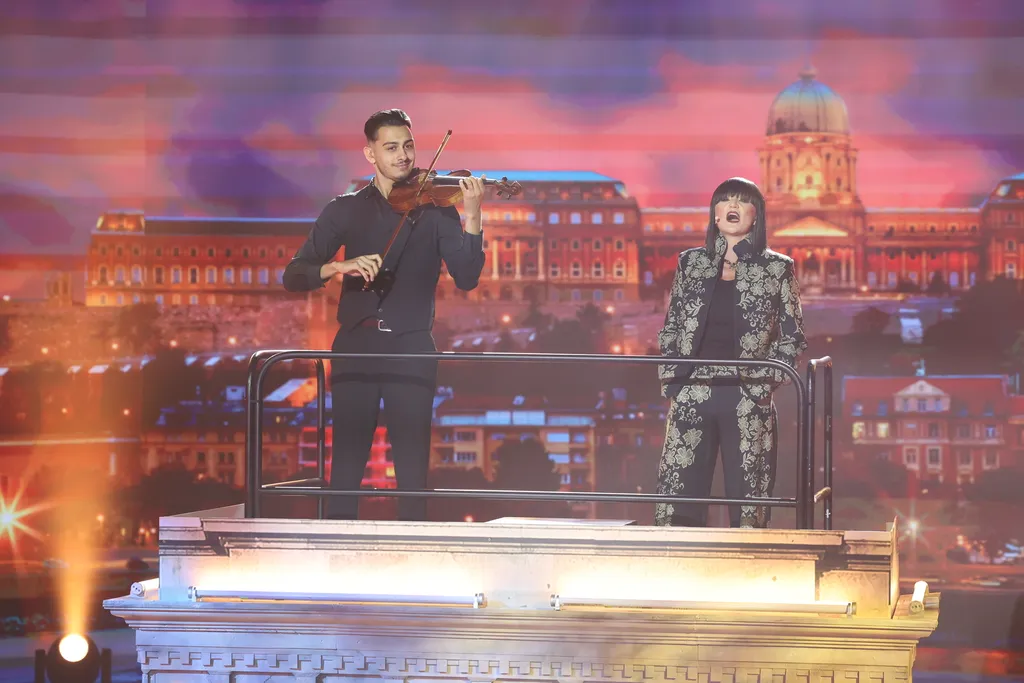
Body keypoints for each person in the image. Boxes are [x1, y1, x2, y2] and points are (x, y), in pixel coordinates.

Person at [283, 108, 486, 521]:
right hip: (355, 346)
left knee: (412, 469)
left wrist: (473, 214)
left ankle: (413, 551)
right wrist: (339, 266)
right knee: (346, 467)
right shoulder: (345, 209)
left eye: (408, 146)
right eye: (391, 147)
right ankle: (338, 549)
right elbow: (294, 274)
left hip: (411, 347)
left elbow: (467, 277)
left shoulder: (437, 209)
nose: (403, 156)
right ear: (370, 154)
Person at [655, 177, 806, 529]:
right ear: (715, 214)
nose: (733, 206)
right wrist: (673, 381)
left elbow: (793, 337)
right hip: (692, 389)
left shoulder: (777, 268)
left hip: (747, 394)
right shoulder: (690, 263)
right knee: (680, 492)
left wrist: (766, 383)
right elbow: (671, 326)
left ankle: (747, 554)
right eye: (725, 200)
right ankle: (676, 552)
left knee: (748, 495)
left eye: (742, 201)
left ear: (757, 215)